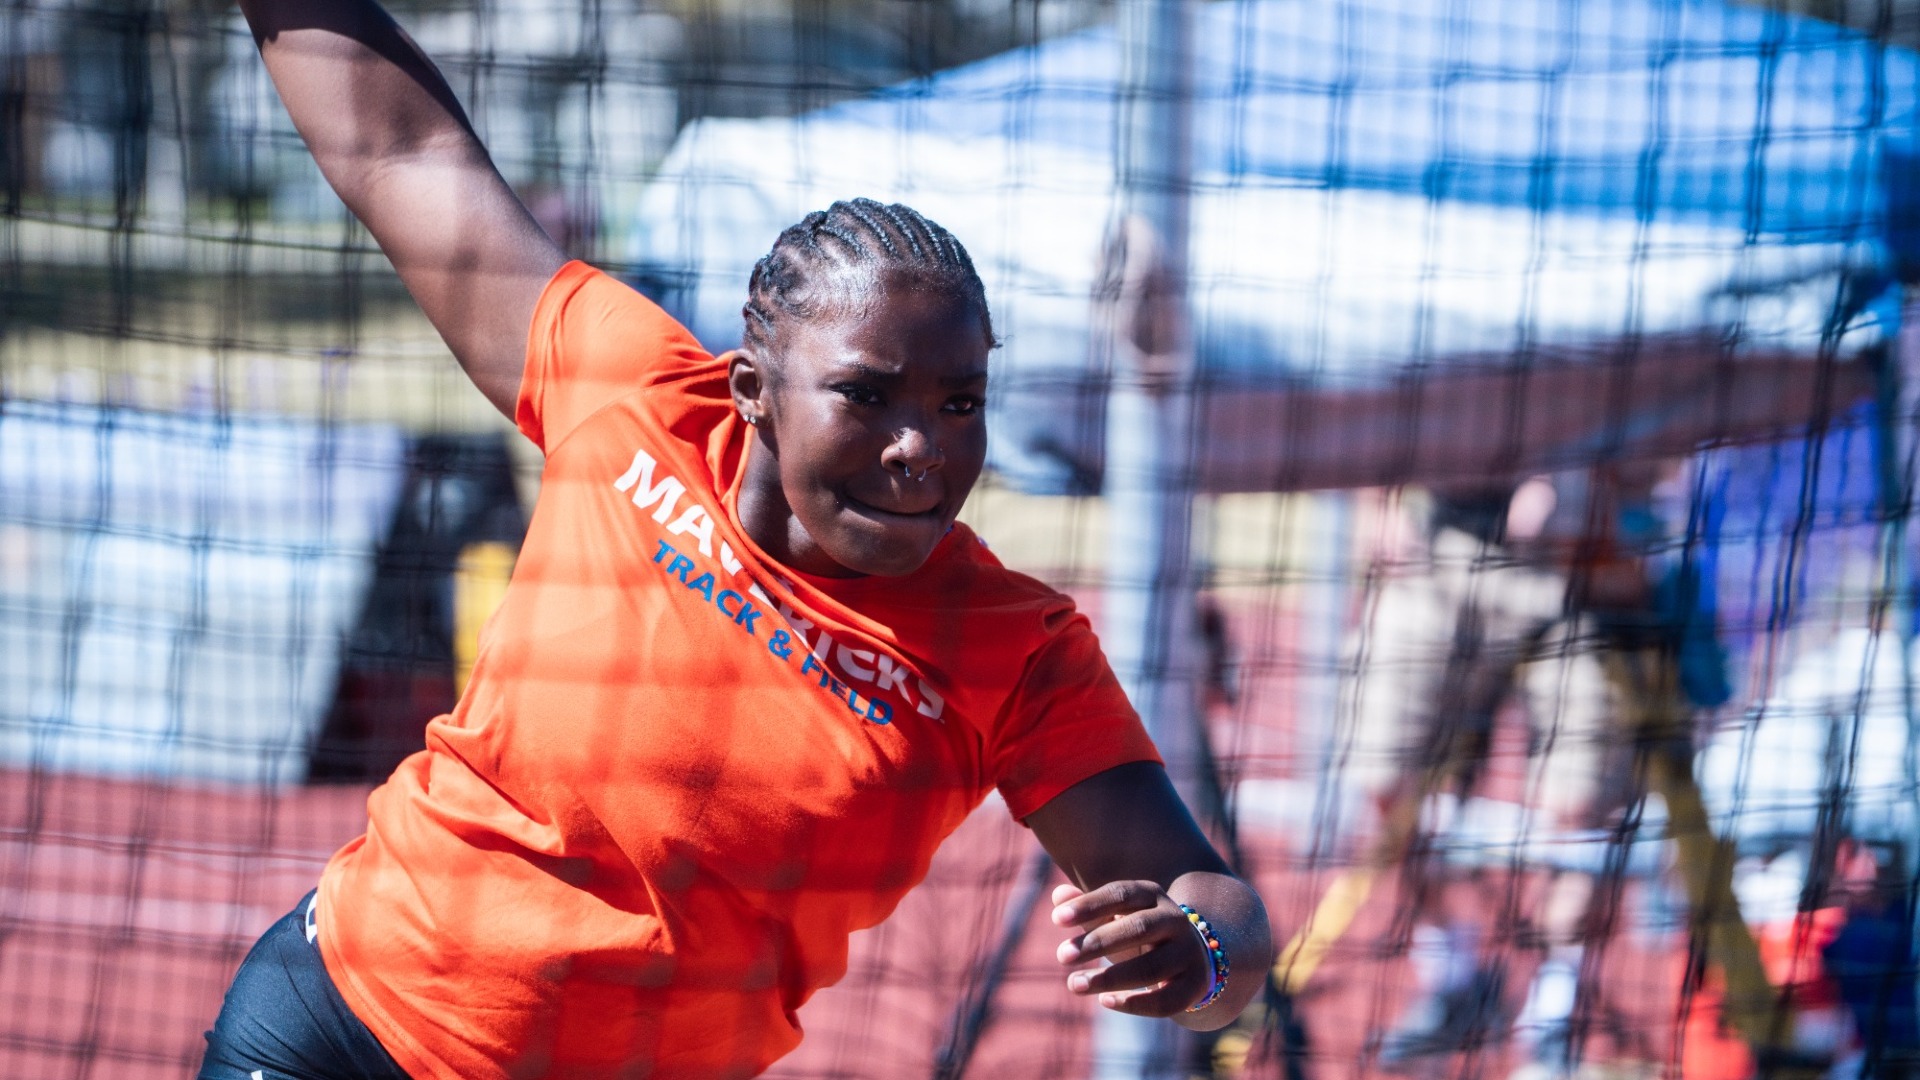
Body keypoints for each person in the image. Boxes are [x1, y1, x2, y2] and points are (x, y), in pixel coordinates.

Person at [196, 0, 1274, 1077]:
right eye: (866, 394)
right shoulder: (632, 397)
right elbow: (402, 151)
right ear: (752, 391)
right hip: (338, 1020)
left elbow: (1214, 902)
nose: (920, 450)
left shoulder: (1017, 650)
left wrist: (1204, 954)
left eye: (959, 404)